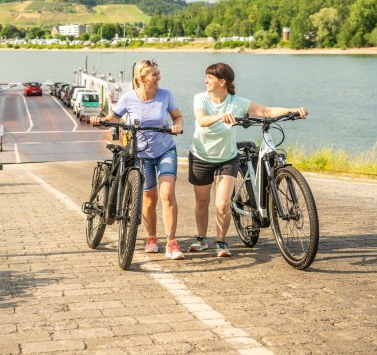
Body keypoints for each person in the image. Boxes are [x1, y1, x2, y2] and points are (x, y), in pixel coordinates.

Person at [189, 62, 308, 258]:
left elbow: (266, 111)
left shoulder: (237, 103)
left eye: (209, 78)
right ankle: (201, 238)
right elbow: (201, 120)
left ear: (222, 82)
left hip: (227, 158)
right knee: (202, 201)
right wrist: (221, 116)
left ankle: (221, 241)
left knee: (222, 204)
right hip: (201, 156)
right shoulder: (200, 99)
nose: (205, 81)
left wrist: (294, 110)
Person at [91, 59, 185, 260]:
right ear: (142, 78)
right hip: (141, 154)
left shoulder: (166, 95)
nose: (159, 77)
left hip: (165, 149)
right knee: (149, 199)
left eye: (159, 73)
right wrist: (98, 121)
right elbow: (112, 119)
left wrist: (177, 125)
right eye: (155, 74)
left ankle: (171, 242)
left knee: (167, 194)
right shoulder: (128, 98)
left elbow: (178, 117)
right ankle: (152, 237)